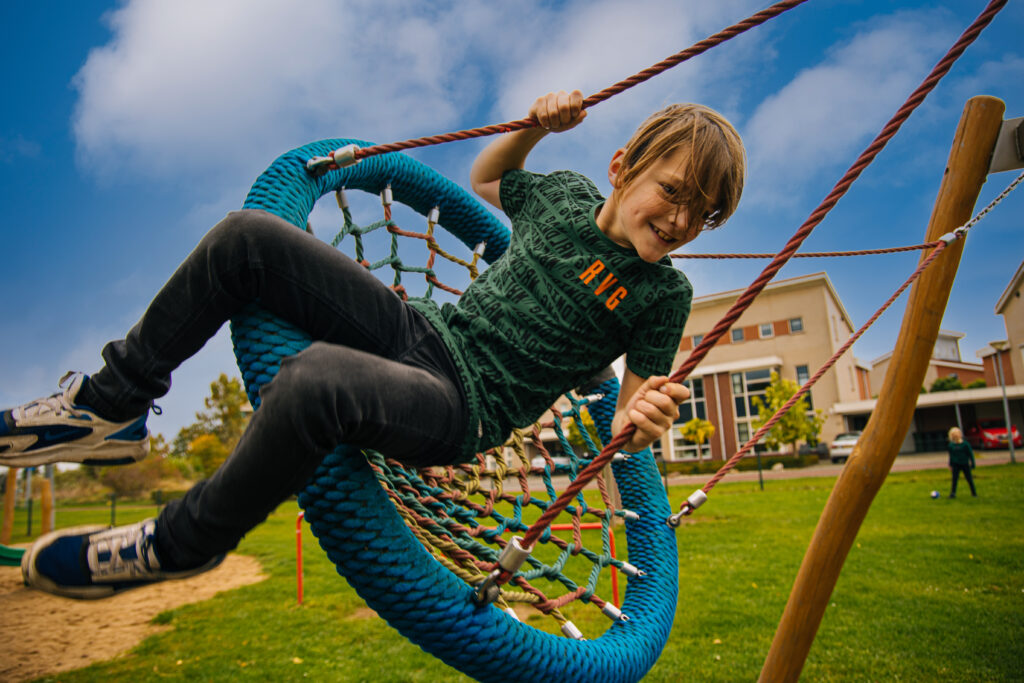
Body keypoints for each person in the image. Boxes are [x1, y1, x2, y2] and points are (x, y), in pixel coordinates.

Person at [2, 90, 745, 598]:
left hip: (463, 405)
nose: (682, 220)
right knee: (246, 240)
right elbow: (491, 178)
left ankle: (183, 540)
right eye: (674, 191)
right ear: (621, 168)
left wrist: (643, 422)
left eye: (703, 214)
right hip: (422, 330)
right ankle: (111, 404)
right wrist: (535, 127)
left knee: (314, 379)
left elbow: (630, 408)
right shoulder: (563, 196)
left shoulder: (662, 294)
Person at [947, 426, 977, 498]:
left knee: (969, 478)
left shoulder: (965, 444)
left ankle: (974, 493)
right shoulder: (951, 445)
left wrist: (973, 463)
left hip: (964, 464)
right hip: (955, 464)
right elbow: (951, 456)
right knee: (954, 479)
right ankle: (953, 493)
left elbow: (970, 454)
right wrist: (950, 464)